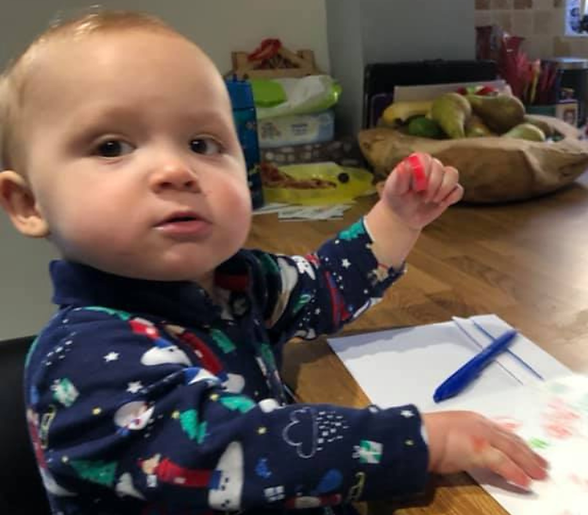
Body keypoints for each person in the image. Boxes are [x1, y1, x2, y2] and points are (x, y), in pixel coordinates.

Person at [0, 10, 547, 514]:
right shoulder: (81, 360)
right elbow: (228, 452)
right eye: (112, 146)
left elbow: (324, 285)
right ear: (28, 204)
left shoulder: (233, 282)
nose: (175, 170)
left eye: (202, 142)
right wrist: (420, 440)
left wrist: (399, 218)